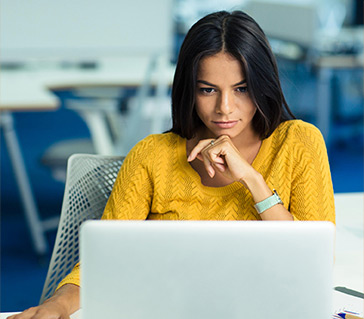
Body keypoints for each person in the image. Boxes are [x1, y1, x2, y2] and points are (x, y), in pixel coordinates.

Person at [9, 10, 335, 319]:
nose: (225, 108)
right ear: (189, 91)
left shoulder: (299, 142)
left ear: (263, 85)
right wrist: (58, 304)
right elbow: (102, 262)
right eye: (208, 90)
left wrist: (252, 179)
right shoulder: (152, 155)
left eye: (242, 89)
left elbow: (313, 262)